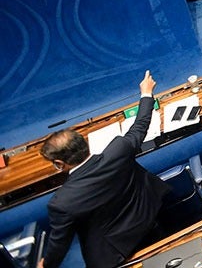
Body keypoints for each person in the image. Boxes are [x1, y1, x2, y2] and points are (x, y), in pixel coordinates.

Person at [38, 71, 170, 268]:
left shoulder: (61, 203)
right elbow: (140, 125)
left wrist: (45, 265)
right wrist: (146, 92)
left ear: (59, 164)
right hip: (151, 217)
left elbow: (60, 244)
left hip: (118, 253)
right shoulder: (119, 150)